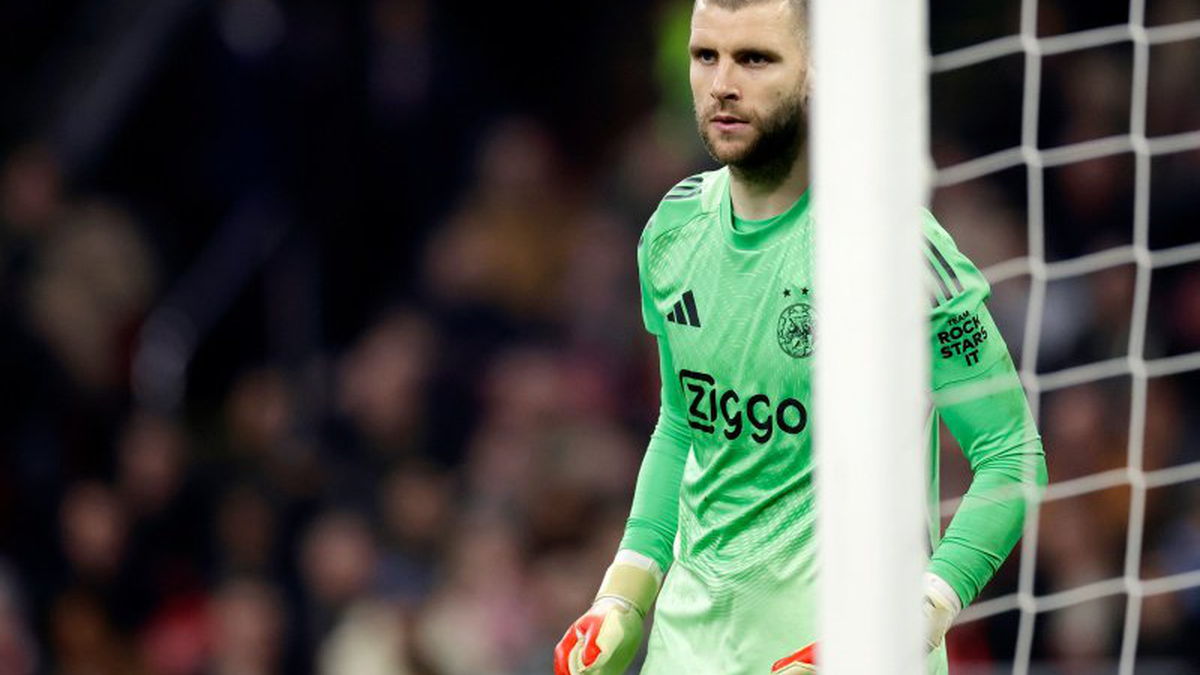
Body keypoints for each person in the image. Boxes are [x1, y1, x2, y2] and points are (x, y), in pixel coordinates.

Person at [553, 0, 1048, 673]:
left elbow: (1011, 456)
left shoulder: (893, 246)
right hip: (685, 652)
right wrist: (623, 595)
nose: (722, 83)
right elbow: (682, 424)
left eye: (754, 58)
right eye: (706, 56)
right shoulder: (671, 231)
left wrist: (903, 628)